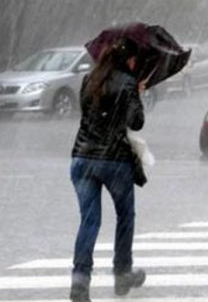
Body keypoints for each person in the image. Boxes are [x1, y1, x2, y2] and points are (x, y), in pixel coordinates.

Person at [69, 38, 147, 302]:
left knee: (89, 221)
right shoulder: (127, 83)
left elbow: (90, 115)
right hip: (113, 160)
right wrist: (137, 92)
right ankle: (122, 274)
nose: (136, 64)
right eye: (135, 60)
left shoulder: (88, 80)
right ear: (129, 60)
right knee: (125, 216)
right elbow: (136, 122)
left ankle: (80, 282)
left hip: (82, 158)